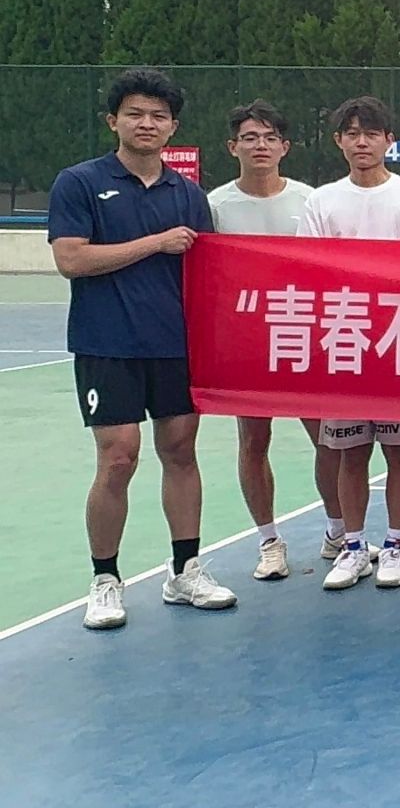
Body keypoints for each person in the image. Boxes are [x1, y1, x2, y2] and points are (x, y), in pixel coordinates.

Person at [54, 69, 237, 630]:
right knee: (119, 457)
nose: (147, 124)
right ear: (113, 121)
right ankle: (105, 579)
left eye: (159, 116)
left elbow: (208, 273)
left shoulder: (189, 194)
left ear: (173, 127)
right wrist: (156, 243)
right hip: (106, 343)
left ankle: (185, 570)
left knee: (180, 451)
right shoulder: (80, 183)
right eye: (135, 113)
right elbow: (71, 259)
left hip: (175, 345)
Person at [300, 96, 400, 592]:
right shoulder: (321, 202)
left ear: (388, 141)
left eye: (372, 133)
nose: (362, 142)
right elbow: (312, 270)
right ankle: (354, 546)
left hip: (399, 343)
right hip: (344, 343)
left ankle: (395, 546)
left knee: (399, 451)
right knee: (351, 452)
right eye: (352, 133)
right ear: (339, 141)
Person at [207, 99, 321, 582]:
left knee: (328, 438)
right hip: (246, 344)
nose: (260, 146)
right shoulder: (215, 205)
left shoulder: (311, 200)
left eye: (270, 138)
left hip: (304, 336)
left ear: (285, 147)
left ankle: (341, 533)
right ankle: (269, 541)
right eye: (250, 138)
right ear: (232, 146)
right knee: (254, 439)